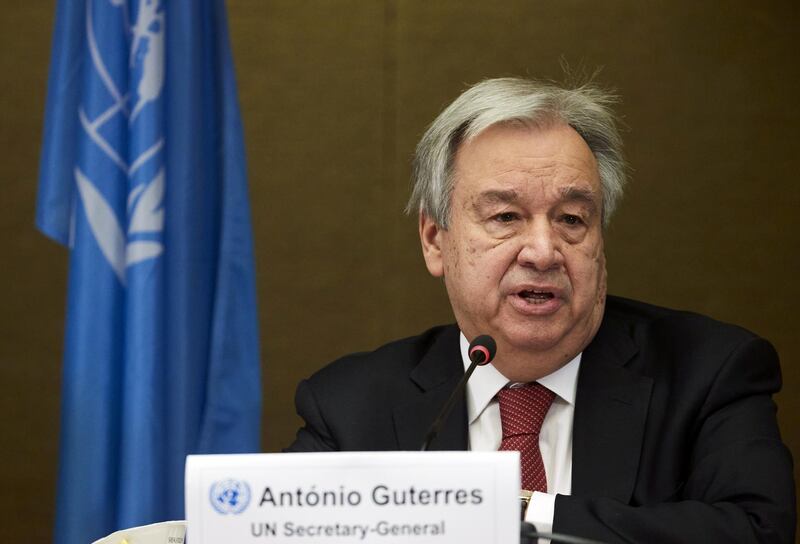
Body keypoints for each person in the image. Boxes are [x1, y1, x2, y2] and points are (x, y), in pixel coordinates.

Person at [285, 78, 796, 543]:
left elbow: (756, 532)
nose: (543, 251)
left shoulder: (709, 374)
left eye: (571, 219)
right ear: (434, 241)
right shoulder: (350, 407)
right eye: (505, 217)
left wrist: (513, 510)